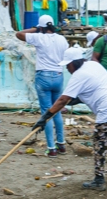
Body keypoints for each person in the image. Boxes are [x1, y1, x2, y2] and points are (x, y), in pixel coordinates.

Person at [35, 47, 107, 191]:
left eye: (68, 65)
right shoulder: (93, 65)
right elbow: (90, 89)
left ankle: (99, 180)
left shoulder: (78, 75)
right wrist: (72, 100)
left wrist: (45, 118)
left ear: (74, 62)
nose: (67, 68)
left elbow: (63, 99)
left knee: (99, 144)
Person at [16, 14, 69, 157]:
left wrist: (35, 29)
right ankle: (61, 144)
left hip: (43, 77)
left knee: (46, 112)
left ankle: (51, 148)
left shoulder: (39, 37)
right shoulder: (62, 39)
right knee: (56, 110)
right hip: (58, 76)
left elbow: (19, 34)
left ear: (41, 27)